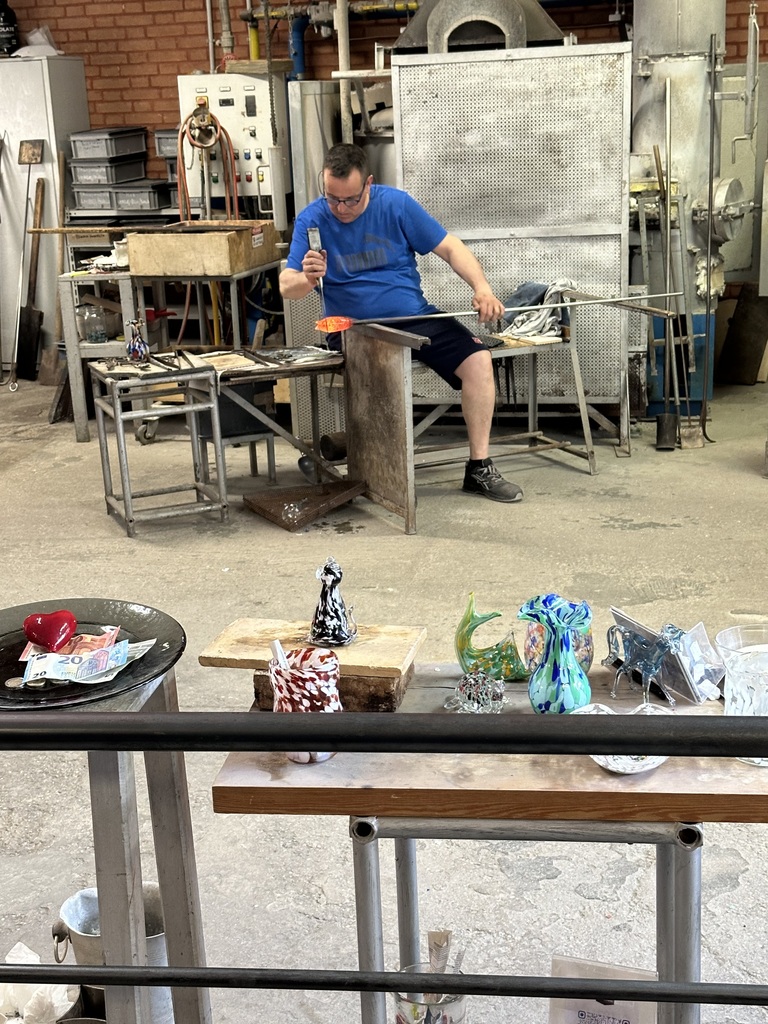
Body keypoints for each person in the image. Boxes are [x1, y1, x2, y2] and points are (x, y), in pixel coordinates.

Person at [279, 143, 523, 503]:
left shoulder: (396, 204)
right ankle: (363, 466)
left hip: (413, 318)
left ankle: (479, 468)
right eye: (333, 199)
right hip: (353, 329)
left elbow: (451, 247)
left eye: (351, 200)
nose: (341, 209)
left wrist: (482, 288)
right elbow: (288, 286)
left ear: (369, 184)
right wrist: (309, 278)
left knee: (478, 361)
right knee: (381, 373)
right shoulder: (312, 219)